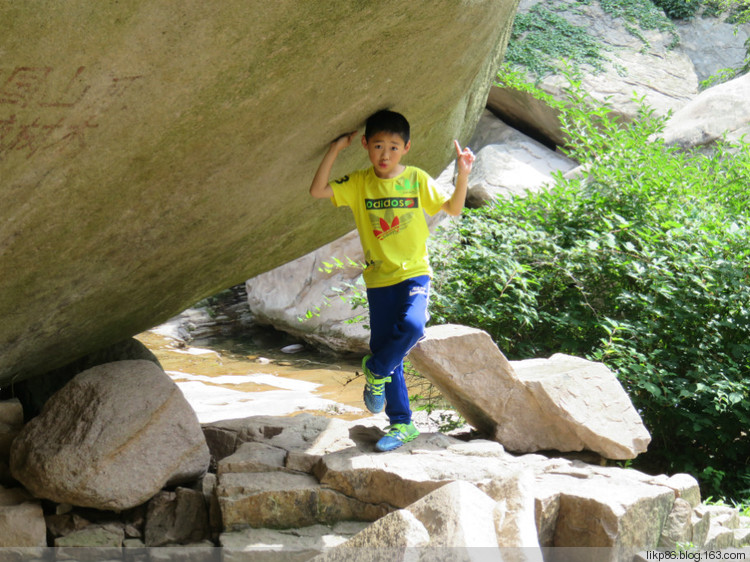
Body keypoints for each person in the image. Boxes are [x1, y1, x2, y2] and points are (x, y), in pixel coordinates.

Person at [309, 109, 474, 451]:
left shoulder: (415, 179)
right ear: (366, 145)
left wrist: (463, 174)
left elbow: (453, 208)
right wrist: (335, 149)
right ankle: (402, 424)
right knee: (390, 351)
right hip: (378, 279)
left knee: (413, 327)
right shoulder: (359, 183)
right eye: (379, 146)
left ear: (407, 148)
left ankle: (375, 369)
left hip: (414, 273)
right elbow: (317, 190)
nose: (386, 155)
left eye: (394, 147)